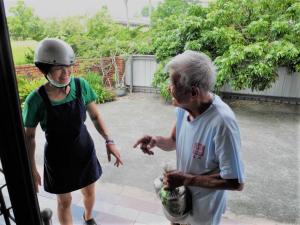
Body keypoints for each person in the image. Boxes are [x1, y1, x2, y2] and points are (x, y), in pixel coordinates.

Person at [134, 50, 245, 225]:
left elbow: (235, 182)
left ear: (193, 92)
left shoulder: (222, 122)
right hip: (180, 200)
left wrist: (186, 179)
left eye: (173, 83)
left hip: (204, 211)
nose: (168, 88)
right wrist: (156, 140)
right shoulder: (183, 108)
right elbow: (173, 141)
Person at [23, 38, 123, 225]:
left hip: (84, 151)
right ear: (45, 70)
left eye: (69, 67)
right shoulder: (35, 100)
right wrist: (31, 168)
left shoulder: (80, 86)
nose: (66, 73)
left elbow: (95, 116)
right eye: (59, 68)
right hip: (57, 159)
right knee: (64, 201)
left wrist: (110, 141)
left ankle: (88, 217)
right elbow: (28, 137)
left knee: (90, 192)